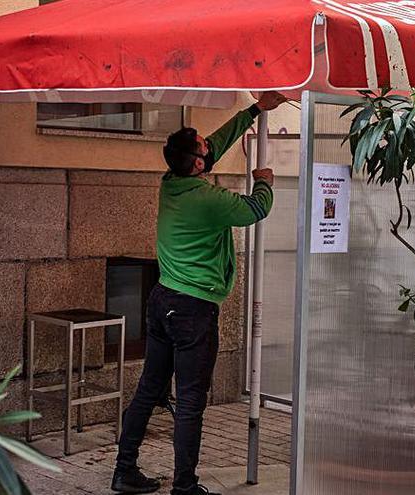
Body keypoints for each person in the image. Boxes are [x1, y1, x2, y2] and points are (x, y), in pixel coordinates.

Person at [111, 92, 286, 495]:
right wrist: (265, 183)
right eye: (204, 148)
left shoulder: (172, 182)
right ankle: (184, 485)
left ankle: (124, 470)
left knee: (149, 389)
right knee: (191, 402)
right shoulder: (208, 200)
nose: (210, 146)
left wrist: (256, 110)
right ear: (198, 164)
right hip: (192, 310)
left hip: (162, 301)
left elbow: (216, 145)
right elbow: (255, 211)